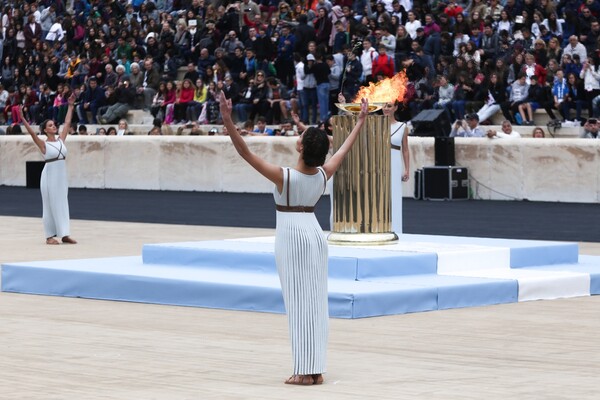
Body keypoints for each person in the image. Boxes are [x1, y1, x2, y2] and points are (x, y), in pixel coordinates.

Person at [219, 91, 370, 386]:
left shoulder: (284, 177)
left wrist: (227, 118)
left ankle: (303, 371)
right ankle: (316, 369)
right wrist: (361, 121)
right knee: (314, 301)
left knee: (298, 302)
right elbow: (344, 150)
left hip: (291, 236)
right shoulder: (323, 174)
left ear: (300, 146)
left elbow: (245, 153)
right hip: (314, 235)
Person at [18, 95, 77, 245]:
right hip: (49, 175)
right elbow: (32, 133)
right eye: (50, 125)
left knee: (62, 202)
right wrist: (23, 118)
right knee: (49, 204)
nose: (54, 126)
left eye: (54, 124)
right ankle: (49, 236)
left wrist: (70, 106)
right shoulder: (43, 144)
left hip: (61, 174)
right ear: (45, 130)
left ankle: (64, 234)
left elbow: (67, 122)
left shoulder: (61, 139)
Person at [383, 101, 410, 234]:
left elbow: (405, 149)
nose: (385, 109)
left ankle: (396, 229)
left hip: (395, 162)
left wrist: (407, 169)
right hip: (380, 163)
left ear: (395, 108)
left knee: (394, 194)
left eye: (389, 106)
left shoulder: (402, 126)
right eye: (384, 106)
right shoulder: (375, 125)